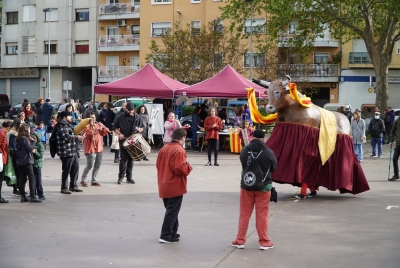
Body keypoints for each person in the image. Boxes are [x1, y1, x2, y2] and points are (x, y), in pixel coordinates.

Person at [231, 129, 277, 250]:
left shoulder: (245, 150)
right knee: (262, 214)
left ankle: (240, 240)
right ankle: (264, 242)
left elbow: (243, 163)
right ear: (263, 139)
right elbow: (274, 167)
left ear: (252, 138)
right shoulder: (268, 152)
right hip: (264, 187)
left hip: (247, 186)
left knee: (244, 214)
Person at [156, 128, 193, 243]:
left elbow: (158, 165)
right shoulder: (179, 150)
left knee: (171, 210)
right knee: (172, 211)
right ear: (183, 138)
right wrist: (189, 167)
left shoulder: (164, 148)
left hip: (163, 183)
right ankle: (166, 234)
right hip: (174, 185)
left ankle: (172, 232)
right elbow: (179, 168)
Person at [113, 102, 144, 185]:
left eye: (132, 110)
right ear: (125, 109)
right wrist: (120, 134)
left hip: (133, 141)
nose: (131, 112)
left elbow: (143, 126)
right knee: (123, 160)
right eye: (129, 110)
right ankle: (120, 177)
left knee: (131, 159)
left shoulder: (138, 117)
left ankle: (129, 177)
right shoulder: (121, 116)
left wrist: (141, 129)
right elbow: (114, 126)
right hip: (124, 140)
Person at [55, 111, 85, 194]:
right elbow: (66, 137)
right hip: (66, 151)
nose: (71, 117)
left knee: (75, 167)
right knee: (66, 170)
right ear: (65, 117)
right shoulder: (61, 125)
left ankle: (73, 185)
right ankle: (64, 187)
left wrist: (79, 135)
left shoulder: (68, 125)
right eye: (69, 116)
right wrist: (77, 137)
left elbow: (72, 134)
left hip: (72, 150)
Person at [80, 112, 109, 187]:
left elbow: (103, 133)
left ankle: (94, 180)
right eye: (91, 117)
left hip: (99, 147)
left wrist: (104, 128)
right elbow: (89, 134)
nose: (93, 119)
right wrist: (98, 129)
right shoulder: (85, 126)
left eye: (94, 117)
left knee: (97, 165)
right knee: (90, 165)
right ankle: (83, 180)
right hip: (90, 148)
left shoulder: (97, 124)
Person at [16, 124, 42, 203]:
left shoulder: (19, 138)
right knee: (32, 178)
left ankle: (23, 196)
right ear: (26, 130)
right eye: (29, 129)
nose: (30, 130)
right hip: (27, 161)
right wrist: (33, 142)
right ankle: (33, 195)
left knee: (23, 178)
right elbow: (30, 149)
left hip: (20, 162)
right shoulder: (24, 138)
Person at [7, 119, 21, 196]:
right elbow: (13, 147)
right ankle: (16, 189)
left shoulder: (16, 133)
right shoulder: (13, 134)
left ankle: (17, 189)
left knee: (18, 173)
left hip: (16, 155)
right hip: (15, 156)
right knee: (16, 173)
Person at [31, 132, 45, 200]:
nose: (33, 139)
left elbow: (40, 156)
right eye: (32, 138)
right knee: (32, 180)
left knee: (38, 180)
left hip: (37, 164)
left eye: (34, 138)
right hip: (31, 164)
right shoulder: (31, 143)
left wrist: (35, 152)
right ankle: (33, 193)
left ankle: (41, 194)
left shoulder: (40, 145)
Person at [0, 121, 10, 203]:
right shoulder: (1, 134)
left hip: (3, 158)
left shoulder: (3, 133)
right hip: (1, 158)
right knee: (0, 178)